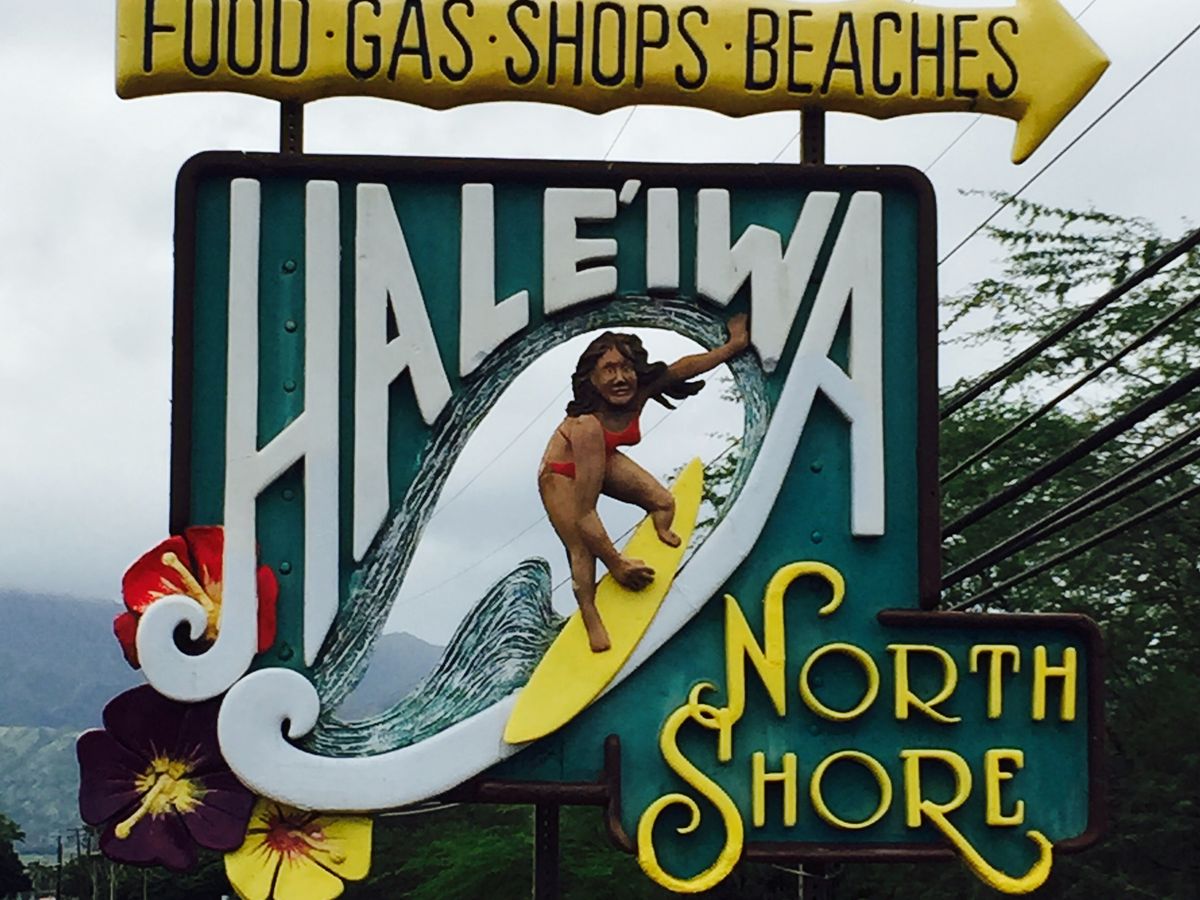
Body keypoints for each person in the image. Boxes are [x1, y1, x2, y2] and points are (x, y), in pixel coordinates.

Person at [538, 315, 750, 652]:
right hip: (562, 471)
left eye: (626, 368)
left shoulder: (639, 390)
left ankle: (660, 534)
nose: (620, 378)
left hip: (601, 456)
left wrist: (731, 347)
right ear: (592, 378)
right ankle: (591, 617)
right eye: (609, 370)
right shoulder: (586, 426)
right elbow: (585, 512)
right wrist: (616, 563)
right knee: (581, 547)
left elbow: (682, 369)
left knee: (664, 502)